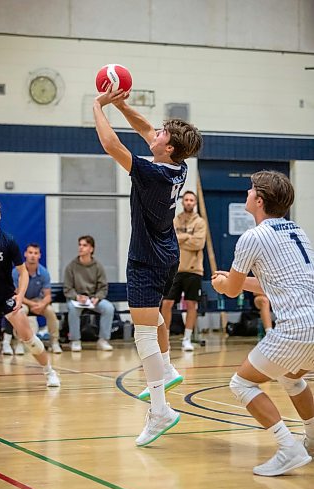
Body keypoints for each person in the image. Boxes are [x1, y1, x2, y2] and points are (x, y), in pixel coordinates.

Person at [93, 86, 202, 446]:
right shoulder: (177, 166)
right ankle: (167, 367)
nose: (154, 134)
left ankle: (160, 410)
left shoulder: (151, 174)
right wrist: (123, 105)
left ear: (168, 147)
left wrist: (99, 106)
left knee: (143, 333)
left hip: (146, 259)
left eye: (161, 134)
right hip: (167, 254)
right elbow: (144, 130)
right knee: (152, 318)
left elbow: (112, 147)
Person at [211, 170, 314, 476]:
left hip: (295, 329)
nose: (246, 194)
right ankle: (312, 439)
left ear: (259, 199)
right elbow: (275, 283)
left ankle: (288, 448)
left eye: (249, 190)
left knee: (241, 382)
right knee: (292, 377)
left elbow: (231, 290)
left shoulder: (252, 237)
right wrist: (236, 282)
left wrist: (224, 284)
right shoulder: (298, 232)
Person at [0, 197, 60, 387]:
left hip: (4, 296)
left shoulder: (8, 241)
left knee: (28, 338)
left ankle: (49, 371)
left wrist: (20, 295)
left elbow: (23, 272)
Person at [161, 190, 206, 351]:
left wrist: (180, 240)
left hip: (194, 270)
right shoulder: (175, 220)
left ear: (195, 203)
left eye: (191, 200)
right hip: (174, 268)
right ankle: (164, 337)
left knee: (191, 304)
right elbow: (169, 241)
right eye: (186, 199)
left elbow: (199, 244)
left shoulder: (200, 222)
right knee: (166, 303)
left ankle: (187, 338)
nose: (188, 202)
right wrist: (187, 238)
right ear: (182, 202)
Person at [1, 243, 62, 355]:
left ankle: (54, 342)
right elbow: (16, 293)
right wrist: (31, 304)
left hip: (37, 301)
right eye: (30, 253)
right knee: (19, 311)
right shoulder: (16, 272)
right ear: (25, 254)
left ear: (39, 255)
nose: (33, 256)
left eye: (35, 253)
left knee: (50, 311)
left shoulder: (44, 273)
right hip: (22, 301)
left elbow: (48, 295)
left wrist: (42, 304)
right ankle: (20, 343)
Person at [63, 235, 115, 352]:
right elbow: (67, 288)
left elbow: (103, 287)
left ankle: (103, 340)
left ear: (91, 249)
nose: (81, 248)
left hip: (93, 300)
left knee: (109, 308)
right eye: (80, 245)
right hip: (77, 299)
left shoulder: (98, 267)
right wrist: (76, 296)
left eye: (84, 245)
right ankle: (75, 340)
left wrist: (97, 298)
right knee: (72, 308)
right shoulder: (71, 267)